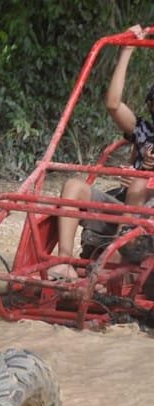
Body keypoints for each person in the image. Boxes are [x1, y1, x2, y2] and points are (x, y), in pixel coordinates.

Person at [50, 24, 154, 280]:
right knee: (74, 185)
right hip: (127, 209)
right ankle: (66, 261)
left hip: (146, 219)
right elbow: (113, 104)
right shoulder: (143, 130)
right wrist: (128, 50)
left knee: (139, 185)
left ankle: (115, 262)